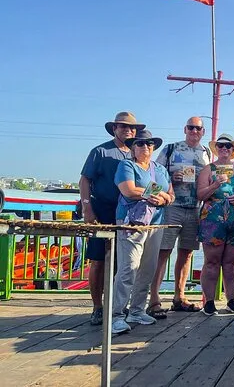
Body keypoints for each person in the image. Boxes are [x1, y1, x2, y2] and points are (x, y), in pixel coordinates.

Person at [79, 111, 144, 325]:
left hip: (128, 213)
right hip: (103, 210)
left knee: (123, 262)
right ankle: (98, 307)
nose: (128, 130)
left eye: (132, 127)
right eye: (123, 126)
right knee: (98, 260)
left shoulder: (137, 154)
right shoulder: (100, 151)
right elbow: (85, 180)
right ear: (114, 128)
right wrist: (87, 209)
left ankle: (116, 306)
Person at [111, 130, 174, 335]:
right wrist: (157, 193)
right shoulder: (127, 165)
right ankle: (116, 315)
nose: (145, 147)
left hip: (155, 223)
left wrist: (163, 197)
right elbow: (128, 190)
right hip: (132, 222)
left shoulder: (160, 169)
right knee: (128, 267)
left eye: (149, 143)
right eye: (140, 143)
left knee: (148, 268)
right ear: (133, 147)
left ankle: (137, 310)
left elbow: (171, 194)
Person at [149, 117, 211, 317]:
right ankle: (154, 299)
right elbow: (153, 175)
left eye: (198, 128)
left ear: (203, 131)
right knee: (163, 252)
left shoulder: (207, 152)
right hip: (171, 207)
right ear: (185, 129)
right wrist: (170, 177)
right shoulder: (170, 149)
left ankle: (179, 297)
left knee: (187, 253)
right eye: (191, 127)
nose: (194, 131)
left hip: (195, 208)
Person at [197, 133, 234, 315]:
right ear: (216, 149)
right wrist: (215, 185)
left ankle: (232, 300)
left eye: (228, 146)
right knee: (212, 261)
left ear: (233, 149)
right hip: (213, 220)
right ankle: (209, 302)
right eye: (220, 145)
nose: (224, 149)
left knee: (232, 262)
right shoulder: (208, 169)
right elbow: (200, 194)